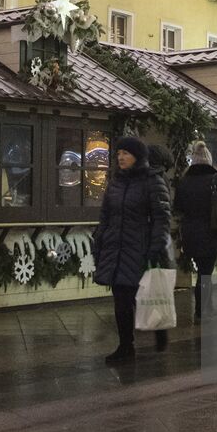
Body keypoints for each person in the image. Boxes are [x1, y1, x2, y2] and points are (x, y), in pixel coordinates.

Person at [93, 136, 171, 364]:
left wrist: (156, 247)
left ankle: (160, 329)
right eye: (118, 154)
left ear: (137, 157)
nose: (121, 158)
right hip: (116, 249)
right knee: (122, 300)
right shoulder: (116, 182)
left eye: (125, 153)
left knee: (147, 295)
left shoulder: (152, 181)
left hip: (141, 249)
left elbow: (161, 217)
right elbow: (106, 214)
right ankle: (126, 346)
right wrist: (100, 238)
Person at [173, 140, 217, 321]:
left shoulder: (184, 181)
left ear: (193, 159)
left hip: (191, 233)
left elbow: (177, 207)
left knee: (202, 271)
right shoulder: (215, 178)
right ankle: (201, 311)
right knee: (205, 273)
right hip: (212, 231)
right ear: (209, 159)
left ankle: (207, 307)